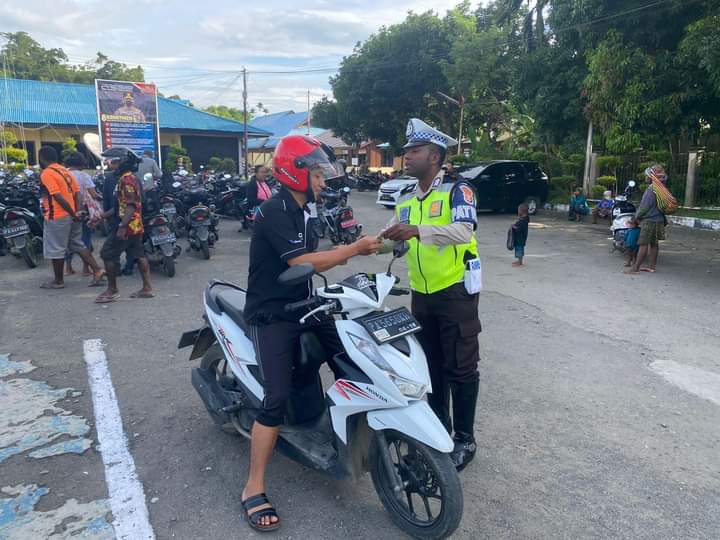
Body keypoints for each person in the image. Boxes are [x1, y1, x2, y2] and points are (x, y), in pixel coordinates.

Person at [240, 135, 381, 532]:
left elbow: (318, 261)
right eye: (317, 175)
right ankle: (253, 486)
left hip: (306, 304)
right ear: (295, 172)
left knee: (355, 360)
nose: (322, 182)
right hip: (272, 312)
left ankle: (347, 434)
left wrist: (355, 255)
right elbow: (300, 261)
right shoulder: (273, 210)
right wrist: (352, 250)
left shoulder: (307, 210)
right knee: (276, 397)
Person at [382, 118, 482, 472]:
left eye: (415, 150)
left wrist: (417, 231)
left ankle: (465, 439)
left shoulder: (458, 190)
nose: (407, 156)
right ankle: (439, 428)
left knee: (461, 366)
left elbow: (463, 231)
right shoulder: (405, 196)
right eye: (406, 151)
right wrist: (370, 245)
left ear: (435, 156)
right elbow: (395, 237)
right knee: (431, 366)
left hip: (455, 292)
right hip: (421, 295)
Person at [37, 146, 105, 289]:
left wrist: (73, 213)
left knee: (56, 249)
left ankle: (58, 281)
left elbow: (57, 196)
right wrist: (77, 211)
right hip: (72, 214)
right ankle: (97, 270)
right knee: (77, 244)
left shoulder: (47, 173)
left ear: (42, 158)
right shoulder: (64, 171)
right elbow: (78, 193)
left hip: (57, 216)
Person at [95, 147, 154, 303]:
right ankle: (147, 288)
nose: (110, 164)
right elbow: (120, 206)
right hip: (135, 225)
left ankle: (112, 290)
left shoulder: (126, 180)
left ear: (121, 162)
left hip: (127, 226)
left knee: (107, 254)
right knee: (139, 254)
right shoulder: (131, 178)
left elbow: (130, 205)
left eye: (113, 162)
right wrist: (101, 216)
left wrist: (122, 226)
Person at [626, 165, 669, 274]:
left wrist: (636, 217)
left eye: (647, 175)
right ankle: (652, 267)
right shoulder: (661, 187)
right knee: (654, 243)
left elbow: (645, 207)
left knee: (643, 244)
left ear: (651, 176)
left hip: (649, 220)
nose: (646, 177)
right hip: (659, 219)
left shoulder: (651, 188)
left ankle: (635, 268)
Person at [63, 152, 100, 276]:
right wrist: (101, 198)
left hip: (65, 210)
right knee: (85, 238)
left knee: (68, 239)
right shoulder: (84, 176)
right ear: (81, 162)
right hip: (82, 211)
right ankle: (86, 268)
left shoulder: (63, 174)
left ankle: (68, 268)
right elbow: (93, 194)